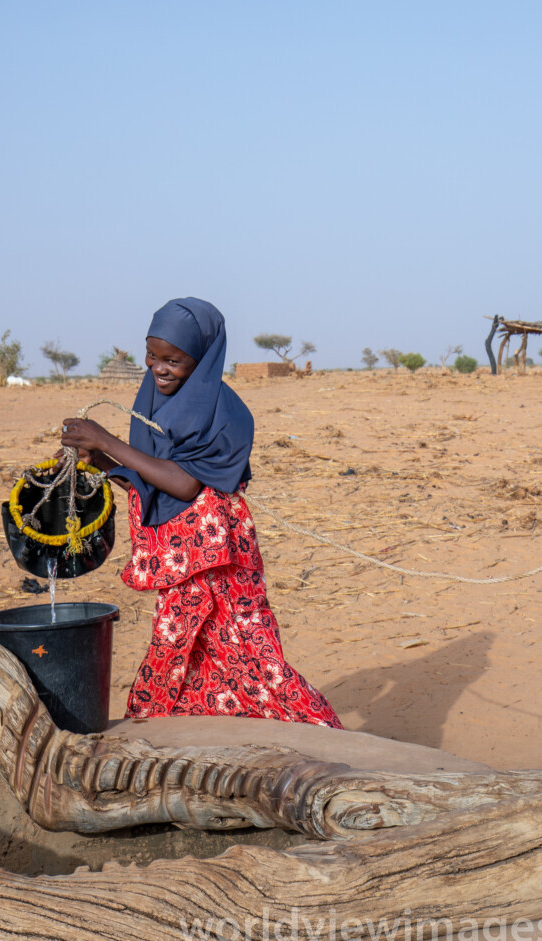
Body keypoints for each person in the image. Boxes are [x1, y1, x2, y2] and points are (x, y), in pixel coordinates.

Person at [60, 297, 342, 728]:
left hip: (216, 554)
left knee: (249, 649)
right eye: (152, 356)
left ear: (203, 359)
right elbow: (153, 481)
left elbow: (185, 483)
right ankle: (177, 735)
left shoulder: (224, 413)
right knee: (183, 647)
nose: (159, 368)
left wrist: (109, 442)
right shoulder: (152, 400)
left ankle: (324, 738)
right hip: (181, 556)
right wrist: (97, 460)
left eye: (174, 360)